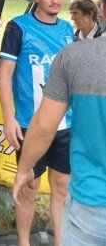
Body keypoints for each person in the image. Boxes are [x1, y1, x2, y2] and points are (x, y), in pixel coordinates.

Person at [0, 0, 74, 246]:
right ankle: (23, 241)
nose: (55, 0)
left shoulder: (67, 30)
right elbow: (5, 73)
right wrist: (8, 118)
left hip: (65, 122)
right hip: (29, 123)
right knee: (29, 186)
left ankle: (61, 242)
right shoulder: (18, 27)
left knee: (62, 187)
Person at [13, 34, 106, 245]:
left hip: (90, 206)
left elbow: (44, 127)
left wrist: (23, 170)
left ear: (102, 14)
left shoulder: (74, 56)